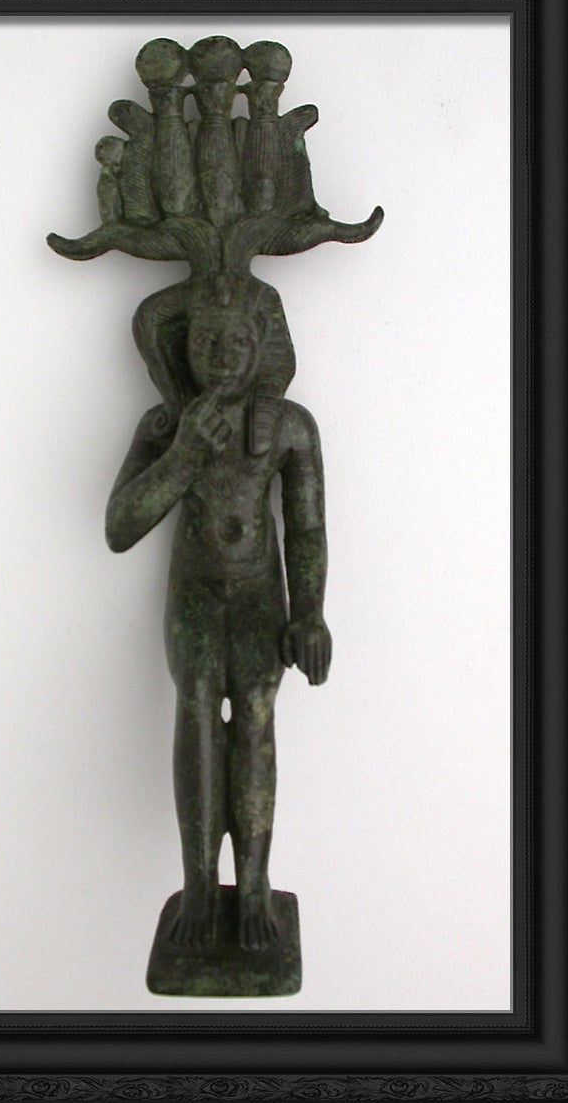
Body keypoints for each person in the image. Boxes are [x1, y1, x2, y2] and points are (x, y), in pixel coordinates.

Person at [106, 271, 331, 951]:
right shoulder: (167, 425)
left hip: (260, 592)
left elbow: (307, 529)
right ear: (182, 348)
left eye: (238, 341)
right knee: (199, 709)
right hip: (197, 593)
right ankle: (201, 883)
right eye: (206, 341)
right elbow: (120, 526)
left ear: (264, 348)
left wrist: (310, 612)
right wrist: (183, 456)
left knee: (257, 712)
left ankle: (254, 884)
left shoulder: (288, 426)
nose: (224, 356)